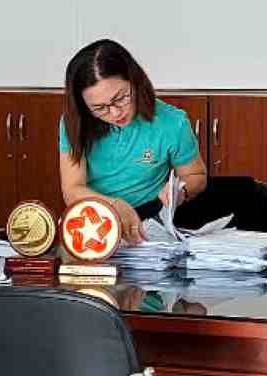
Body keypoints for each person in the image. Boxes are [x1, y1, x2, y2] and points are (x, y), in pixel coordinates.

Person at [58, 39, 207, 245]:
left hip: (148, 223)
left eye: (121, 98)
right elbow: (73, 190)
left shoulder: (172, 122)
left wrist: (181, 190)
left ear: (135, 81)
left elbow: (196, 175)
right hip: (91, 222)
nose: (115, 112)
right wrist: (114, 205)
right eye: (100, 108)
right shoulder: (75, 123)